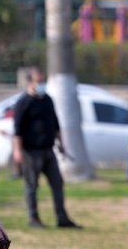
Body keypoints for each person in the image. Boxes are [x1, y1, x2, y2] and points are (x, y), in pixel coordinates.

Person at [12, 68, 80, 229]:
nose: (41, 84)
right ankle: (33, 219)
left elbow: (55, 124)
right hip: (31, 152)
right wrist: (17, 151)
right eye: (38, 81)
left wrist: (61, 144)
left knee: (57, 184)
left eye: (43, 81)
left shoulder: (47, 100)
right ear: (30, 82)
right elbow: (17, 130)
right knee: (32, 186)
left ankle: (62, 218)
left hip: (49, 150)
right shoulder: (23, 102)